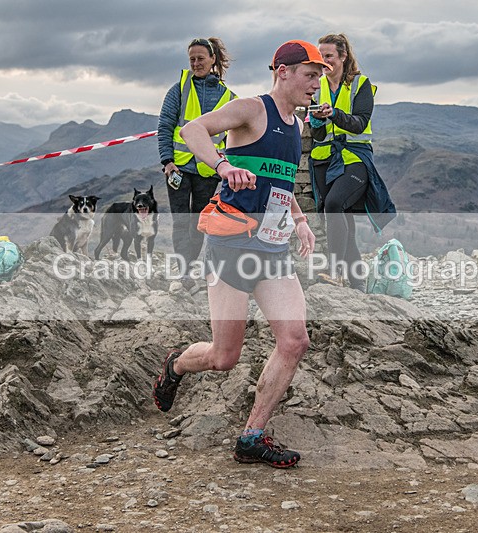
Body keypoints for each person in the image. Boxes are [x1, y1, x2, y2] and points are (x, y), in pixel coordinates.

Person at [152, 40, 327, 468]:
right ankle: (176, 365)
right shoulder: (252, 109)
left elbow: (281, 183)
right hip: (230, 245)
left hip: (271, 248)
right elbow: (191, 129)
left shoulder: (296, 125)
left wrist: (300, 221)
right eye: (310, 75)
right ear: (282, 72)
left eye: (320, 77)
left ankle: (251, 436)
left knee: (295, 340)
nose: (316, 85)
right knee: (223, 357)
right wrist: (222, 166)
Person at [308, 33, 395, 290]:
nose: (324, 62)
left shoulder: (361, 84)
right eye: (320, 57)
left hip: (354, 157)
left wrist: (334, 113)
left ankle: (335, 271)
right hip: (323, 160)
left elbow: (359, 123)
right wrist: (316, 123)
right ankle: (358, 285)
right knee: (342, 220)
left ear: (344, 56)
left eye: (329, 56)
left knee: (334, 205)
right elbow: (318, 134)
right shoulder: (317, 87)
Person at [158, 37, 236, 287]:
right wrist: (167, 161)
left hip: (208, 170)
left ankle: (190, 268)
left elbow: (234, 137)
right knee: (181, 221)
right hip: (178, 168)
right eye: (192, 59)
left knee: (198, 223)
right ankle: (183, 273)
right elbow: (165, 126)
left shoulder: (229, 97)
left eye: (201, 58)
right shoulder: (179, 89)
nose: (195, 63)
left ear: (213, 59)